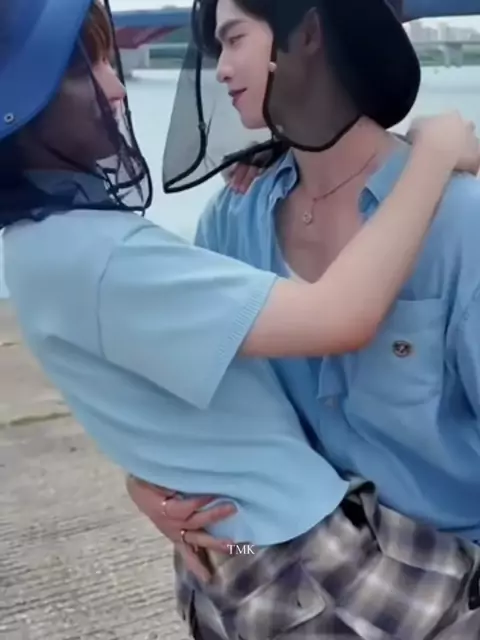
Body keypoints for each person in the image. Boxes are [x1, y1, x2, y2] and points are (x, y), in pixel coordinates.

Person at [2, 0, 480, 638]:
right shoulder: (232, 219)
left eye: (233, 40)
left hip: (441, 590)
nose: (220, 68)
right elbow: (202, 389)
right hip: (272, 570)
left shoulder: (461, 220)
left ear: (308, 32)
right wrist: (153, 482)